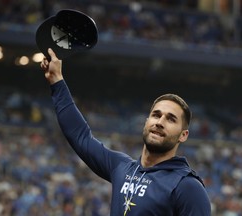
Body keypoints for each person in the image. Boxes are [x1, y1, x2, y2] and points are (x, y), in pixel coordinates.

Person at [40, 48, 211, 216]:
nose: (160, 122)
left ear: (184, 135)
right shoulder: (122, 167)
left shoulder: (187, 187)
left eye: (171, 119)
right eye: (156, 115)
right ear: (146, 122)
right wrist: (57, 81)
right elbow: (80, 136)